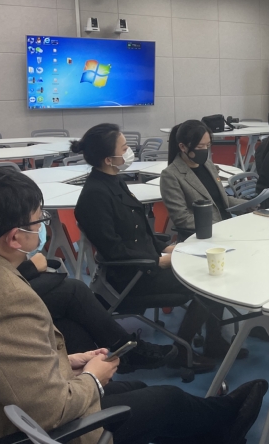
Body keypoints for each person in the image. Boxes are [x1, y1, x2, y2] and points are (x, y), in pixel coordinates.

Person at [0, 168, 268, 444]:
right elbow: (53, 412)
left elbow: (2, 362)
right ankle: (227, 418)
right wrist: (92, 378)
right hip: (31, 431)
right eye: (39, 221)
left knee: (134, 387)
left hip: (15, 405)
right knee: (167, 400)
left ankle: (213, 428)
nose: (43, 227)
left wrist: (67, 361)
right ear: (15, 238)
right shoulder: (6, 301)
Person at [72, 124, 230, 370]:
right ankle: (182, 352)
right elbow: (114, 250)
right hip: (132, 276)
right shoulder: (95, 195)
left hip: (145, 264)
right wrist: (157, 260)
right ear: (108, 159)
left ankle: (213, 341)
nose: (129, 152)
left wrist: (164, 247)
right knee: (206, 283)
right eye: (124, 148)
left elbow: (137, 233)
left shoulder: (113, 181)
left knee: (208, 271)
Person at [17, 245, 176, 372]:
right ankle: (126, 349)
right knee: (74, 290)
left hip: (21, 284)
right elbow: (1, 281)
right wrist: (30, 267)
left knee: (69, 324)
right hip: (10, 296)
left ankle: (99, 382)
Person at [160, 120, 242, 240]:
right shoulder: (171, 175)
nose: (204, 150)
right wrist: (218, 226)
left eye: (207, 145)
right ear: (183, 147)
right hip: (203, 236)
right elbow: (181, 218)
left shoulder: (207, 164)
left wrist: (251, 205)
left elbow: (220, 199)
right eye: (199, 146)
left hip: (226, 228)